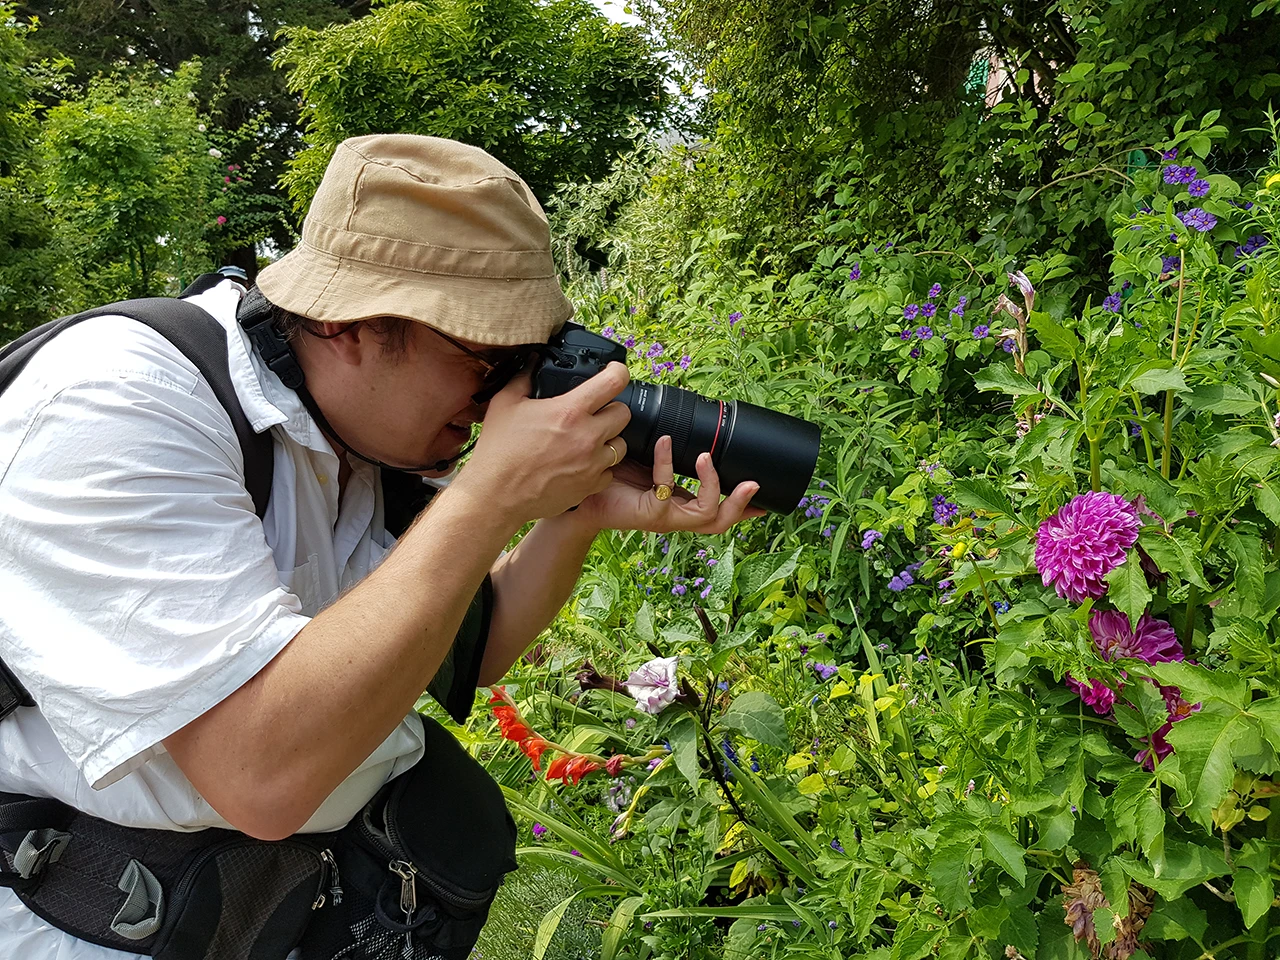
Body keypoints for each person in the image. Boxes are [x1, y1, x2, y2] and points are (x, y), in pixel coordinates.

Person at [0, 133, 762, 958]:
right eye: (488, 357)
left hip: (263, 900)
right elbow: (259, 776)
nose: (504, 395)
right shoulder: (119, 408)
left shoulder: (354, 430)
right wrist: (487, 493)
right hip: (93, 919)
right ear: (346, 322)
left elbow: (468, 643)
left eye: (526, 361)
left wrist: (572, 517)